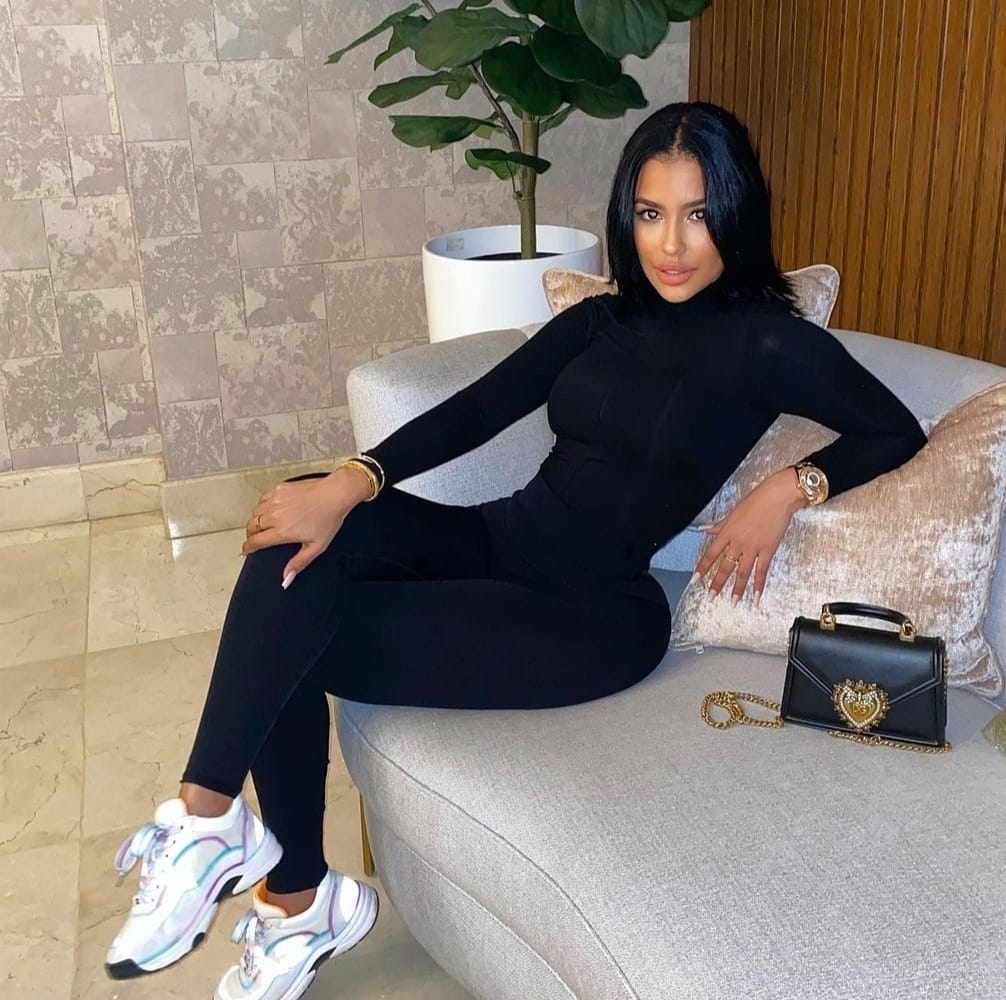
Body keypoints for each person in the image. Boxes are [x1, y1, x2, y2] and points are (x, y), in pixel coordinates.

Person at [105, 101, 927, 1000]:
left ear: (736, 212)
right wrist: (353, 478)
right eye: (651, 213)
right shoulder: (600, 321)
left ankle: (281, 885)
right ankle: (225, 834)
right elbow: (479, 408)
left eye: (698, 214)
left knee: (291, 626)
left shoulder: (769, 342)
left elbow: (893, 429)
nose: (672, 244)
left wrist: (787, 488)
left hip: (590, 615)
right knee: (295, 531)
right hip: (499, 536)